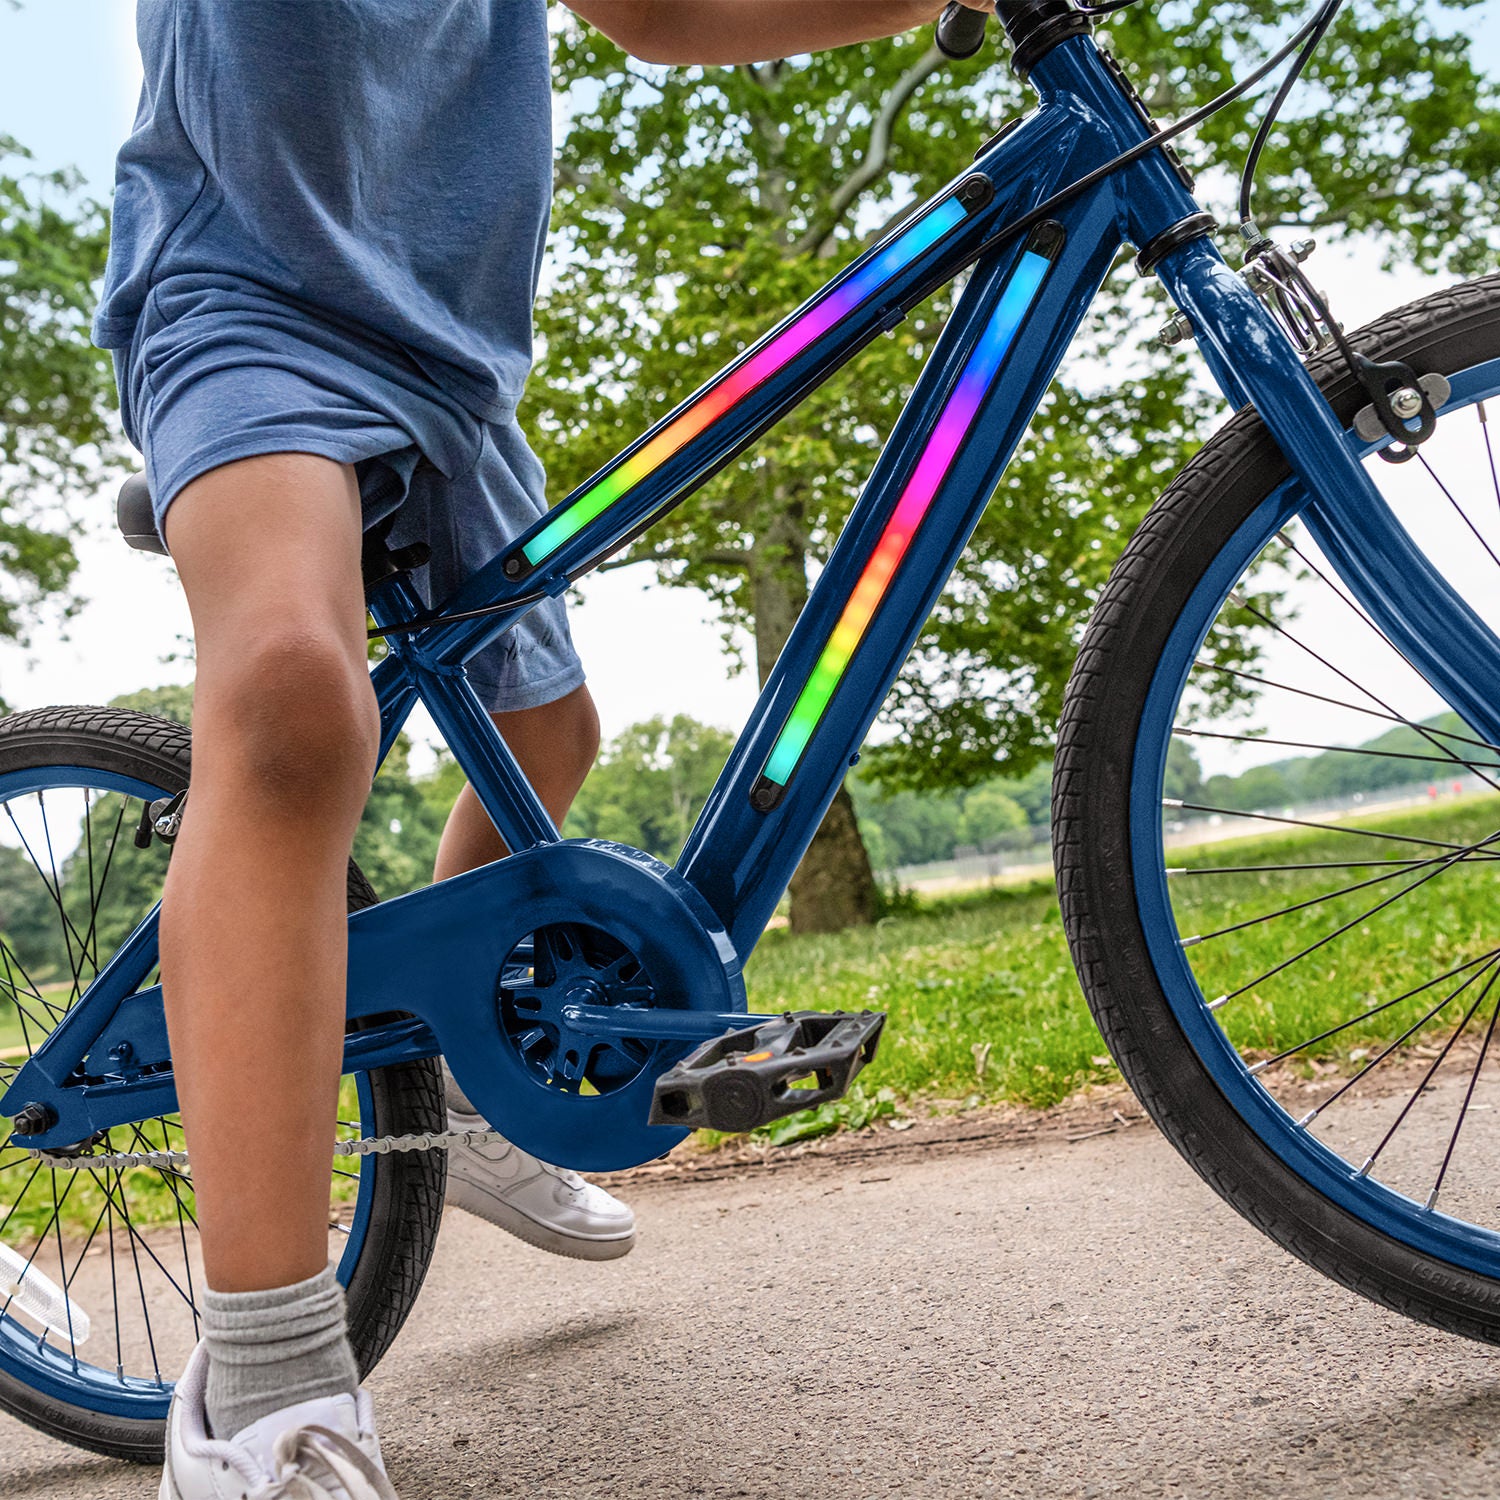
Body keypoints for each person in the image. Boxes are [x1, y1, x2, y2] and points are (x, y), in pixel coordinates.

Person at [93, 3, 989, 1496]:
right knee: (300, 700)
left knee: (549, 729)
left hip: (452, 365)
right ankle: (265, 1391)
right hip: (240, 309)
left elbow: (663, 12)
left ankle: (458, 1064)